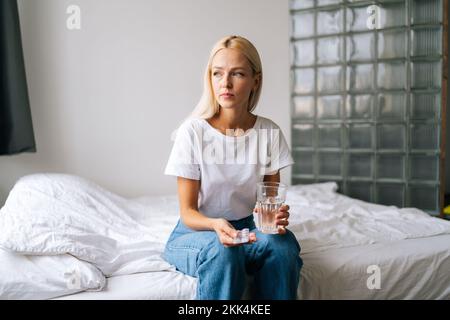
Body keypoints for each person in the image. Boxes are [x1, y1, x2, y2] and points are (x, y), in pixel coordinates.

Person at [163, 35, 302, 300]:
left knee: (282, 247)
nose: (225, 83)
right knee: (223, 250)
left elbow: (268, 201)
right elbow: (188, 212)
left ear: (255, 81)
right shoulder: (192, 132)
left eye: (237, 74)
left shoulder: (268, 133)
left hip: (248, 229)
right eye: (218, 74)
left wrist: (276, 217)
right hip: (199, 231)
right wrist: (217, 225)